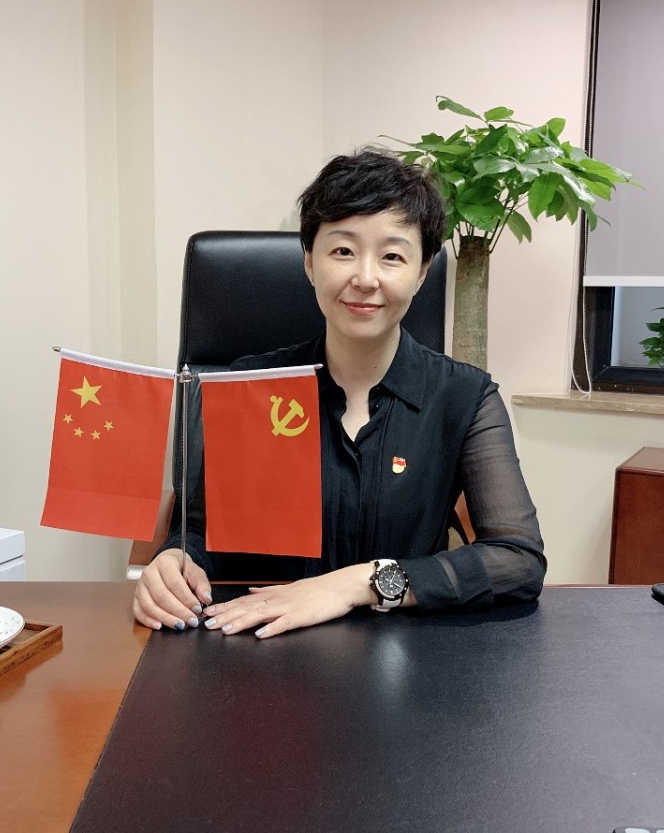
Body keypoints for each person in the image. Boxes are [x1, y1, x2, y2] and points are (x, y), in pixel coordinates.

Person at [133, 150, 545, 638]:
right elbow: (203, 532)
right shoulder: (251, 387)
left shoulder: (465, 397)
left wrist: (358, 583)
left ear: (422, 271)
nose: (365, 279)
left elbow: (518, 559)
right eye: (343, 251)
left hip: (405, 657)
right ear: (309, 262)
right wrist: (174, 560)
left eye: (392, 256)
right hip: (261, 647)